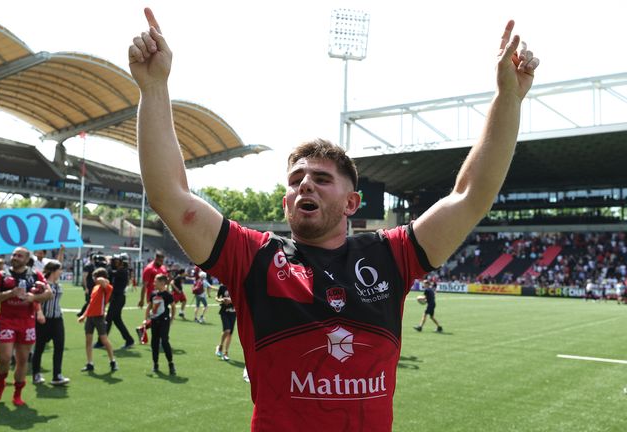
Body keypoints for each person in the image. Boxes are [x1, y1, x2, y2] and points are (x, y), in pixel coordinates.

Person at [129, 10, 539, 430]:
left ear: (351, 203)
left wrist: (508, 96)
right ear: (287, 202)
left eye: (322, 179)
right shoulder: (252, 257)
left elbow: (470, 196)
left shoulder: (391, 255)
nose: (305, 184)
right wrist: (154, 87)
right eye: (296, 179)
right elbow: (169, 196)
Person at [0, 247, 52, 406]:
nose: (14, 257)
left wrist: (33, 297)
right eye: (14, 255)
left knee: (23, 360)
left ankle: (17, 393)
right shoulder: (1, 275)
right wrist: (10, 293)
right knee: (5, 358)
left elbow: (49, 294)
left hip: (27, 322)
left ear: (26, 258)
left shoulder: (35, 275)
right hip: (7, 321)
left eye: (19, 256)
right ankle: (0, 384)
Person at [32, 259, 70, 386]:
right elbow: (36, 299)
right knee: (39, 348)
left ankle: (57, 375)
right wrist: (39, 313)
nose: (61, 271)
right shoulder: (42, 284)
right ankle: (36, 373)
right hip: (44, 319)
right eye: (59, 269)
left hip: (57, 319)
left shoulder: (58, 285)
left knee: (59, 347)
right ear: (53, 270)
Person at [78, 267, 118, 373]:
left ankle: (112, 361)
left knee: (104, 340)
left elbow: (104, 282)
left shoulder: (107, 287)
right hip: (90, 317)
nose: (93, 279)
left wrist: (99, 277)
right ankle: (90, 363)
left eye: (94, 277)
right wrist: (84, 315)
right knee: (88, 340)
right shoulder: (95, 288)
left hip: (99, 317)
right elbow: (90, 304)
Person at [104, 253, 135, 349]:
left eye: (117, 261)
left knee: (108, 319)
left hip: (118, 298)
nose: (115, 262)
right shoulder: (122, 270)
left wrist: (108, 263)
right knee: (116, 320)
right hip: (118, 298)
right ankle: (129, 340)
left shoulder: (122, 271)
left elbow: (109, 272)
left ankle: (102, 341)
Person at [146, 274, 175, 375]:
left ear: (162, 283)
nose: (154, 283)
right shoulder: (153, 294)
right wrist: (146, 319)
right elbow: (149, 306)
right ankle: (155, 364)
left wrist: (172, 318)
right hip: (155, 321)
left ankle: (171, 364)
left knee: (165, 341)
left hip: (164, 321)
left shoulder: (168, 295)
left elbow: (173, 306)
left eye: (155, 281)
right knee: (154, 342)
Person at [215, 283, 236, 361]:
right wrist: (220, 300)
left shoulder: (237, 285)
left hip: (233, 313)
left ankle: (225, 352)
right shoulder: (222, 286)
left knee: (230, 334)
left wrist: (231, 300)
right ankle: (220, 346)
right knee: (227, 330)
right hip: (224, 312)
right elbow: (216, 297)